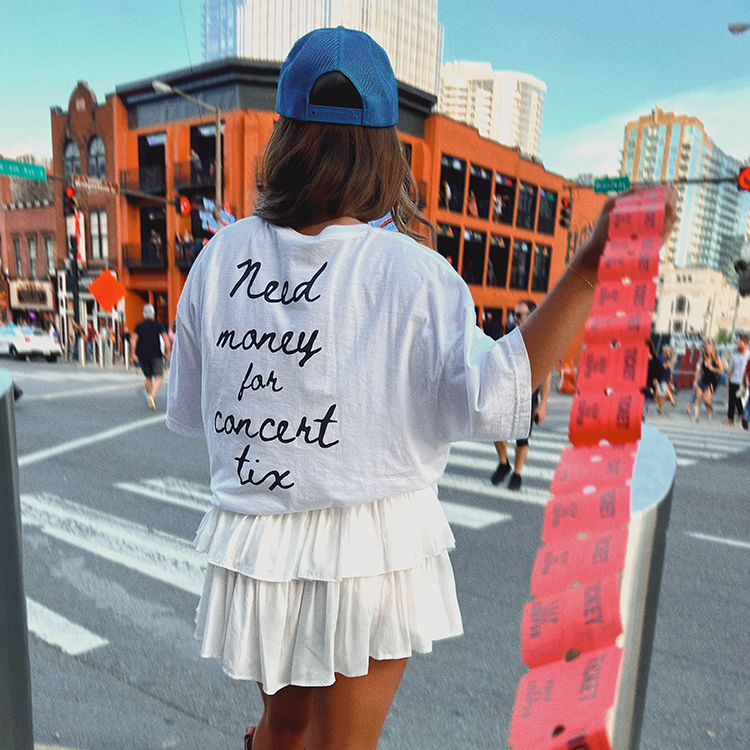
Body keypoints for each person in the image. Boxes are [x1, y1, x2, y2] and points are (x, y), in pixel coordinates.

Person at [165, 26, 677, 750]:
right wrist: (588, 272)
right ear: (385, 148)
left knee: (282, 728)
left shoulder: (219, 260)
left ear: (284, 137)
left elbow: (195, 407)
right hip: (376, 544)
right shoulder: (414, 274)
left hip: (264, 545)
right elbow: (497, 391)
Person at [490, 300, 552, 491]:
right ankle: (503, 463)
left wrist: (542, 406)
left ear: (531, 316)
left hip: (528, 396)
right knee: (496, 430)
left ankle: (517, 473)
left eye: (518, 315)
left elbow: (546, 375)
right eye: (514, 314)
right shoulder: (510, 335)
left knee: (522, 438)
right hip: (507, 392)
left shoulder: (540, 340)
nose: (514, 318)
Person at [130, 303, 171, 410]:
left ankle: (150, 398)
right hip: (156, 354)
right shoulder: (158, 325)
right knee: (158, 377)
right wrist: (168, 351)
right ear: (153, 314)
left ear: (144, 314)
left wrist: (133, 352)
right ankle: (151, 396)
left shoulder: (139, 326)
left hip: (143, 355)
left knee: (148, 377)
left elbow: (133, 339)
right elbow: (166, 339)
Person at [693, 341, 723, 422]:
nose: (708, 350)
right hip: (704, 378)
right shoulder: (702, 359)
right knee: (698, 395)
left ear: (713, 350)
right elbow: (698, 371)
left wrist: (713, 368)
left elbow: (721, 370)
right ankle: (696, 416)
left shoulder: (717, 359)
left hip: (713, 380)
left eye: (710, 348)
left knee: (707, 399)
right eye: (707, 348)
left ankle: (710, 411)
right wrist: (695, 381)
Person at [724, 336, 750, 425]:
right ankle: (730, 419)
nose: (739, 345)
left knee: (737, 398)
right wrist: (727, 378)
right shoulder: (735, 355)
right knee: (732, 399)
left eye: (741, 343)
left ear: (745, 344)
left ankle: (740, 414)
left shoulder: (748, 355)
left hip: (743, 381)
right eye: (738, 343)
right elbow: (731, 367)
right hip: (734, 379)